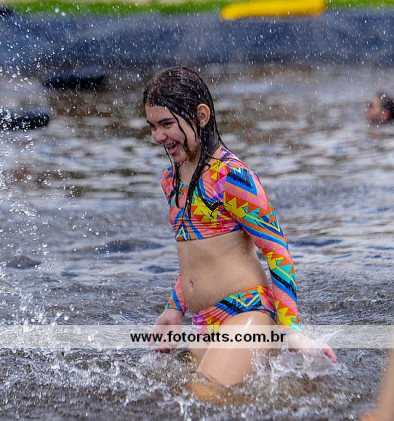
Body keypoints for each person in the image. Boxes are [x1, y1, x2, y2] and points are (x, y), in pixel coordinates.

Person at [144, 66, 336, 393]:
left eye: (166, 124)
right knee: (178, 398)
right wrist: (174, 309)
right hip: (203, 321)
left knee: (204, 395)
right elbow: (197, 256)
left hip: (247, 313)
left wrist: (292, 330)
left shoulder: (231, 176)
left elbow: (277, 252)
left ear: (200, 116)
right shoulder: (171, 180)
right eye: (152, 126)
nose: (158, 137)